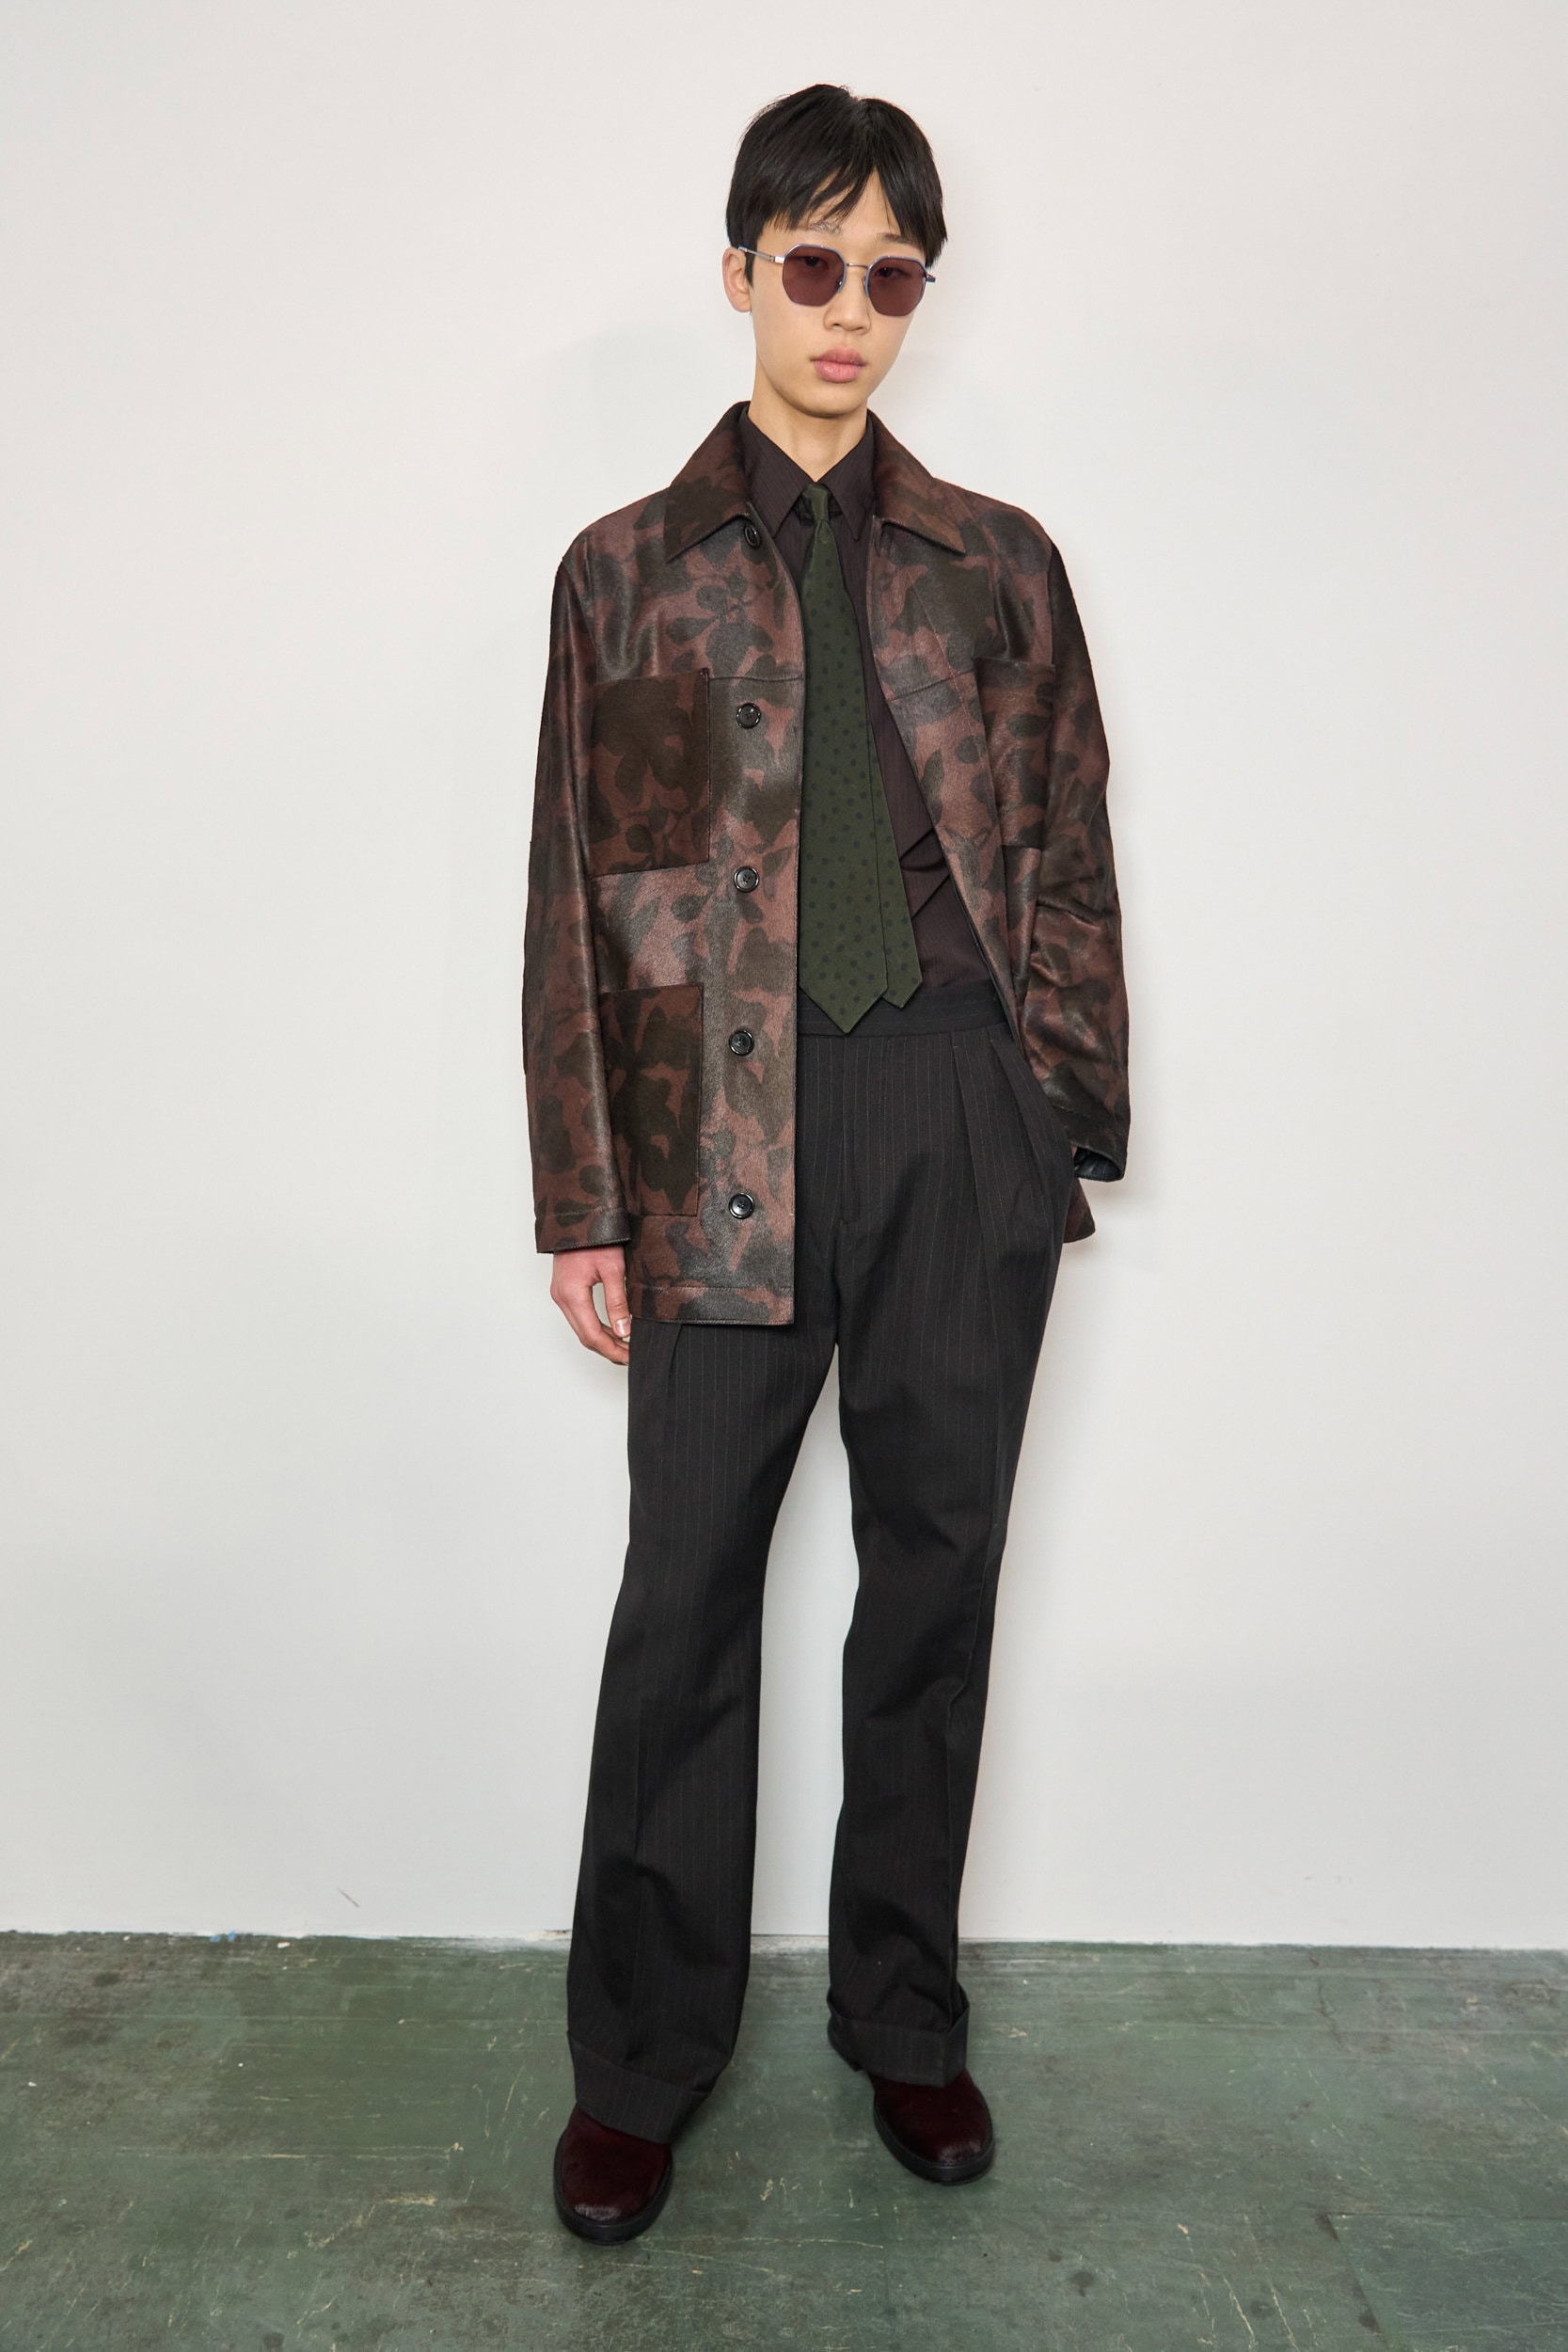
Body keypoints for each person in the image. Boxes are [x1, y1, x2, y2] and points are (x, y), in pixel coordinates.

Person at [523, 83, 1129, 2245]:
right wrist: (583, 1194)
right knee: (685, 1592)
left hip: (955, 1116)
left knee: (935, 1581)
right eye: (813, 263)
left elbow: (1072, 849)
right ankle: (639, 2061)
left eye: (893, 272)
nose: (852, 308)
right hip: (719, 1136)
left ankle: (904, 2014)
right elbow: (573, 892)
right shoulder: (624, 571)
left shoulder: (1001, 564)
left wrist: (1058, 1115)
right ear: (740, 274)